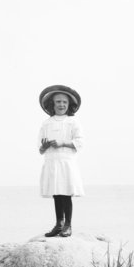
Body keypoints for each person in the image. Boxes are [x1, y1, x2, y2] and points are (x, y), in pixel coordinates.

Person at [38, 84, 84, 237]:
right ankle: (59, 223)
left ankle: (68, 225)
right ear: (52, 104)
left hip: (66, 161)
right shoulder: (46, 123)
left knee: (65, 194)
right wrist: (44, 146)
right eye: (58, 102)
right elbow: (40, 148)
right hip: (52, 161)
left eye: (64, 102)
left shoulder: (73, 122)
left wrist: (62, 143)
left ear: (69, 104)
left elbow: (80, 142)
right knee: (56, 193)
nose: (61, 105)